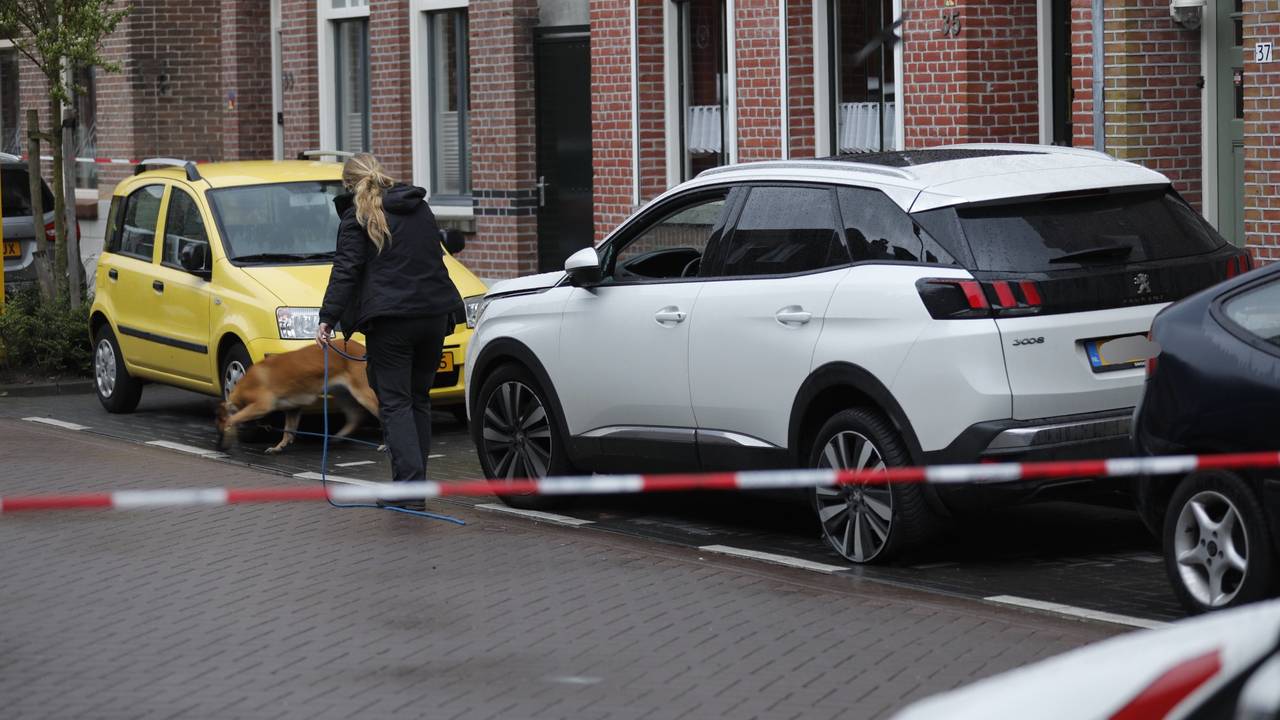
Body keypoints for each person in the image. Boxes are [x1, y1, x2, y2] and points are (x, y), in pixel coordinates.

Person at [316, 153, 462, 493]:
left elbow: (346, 271)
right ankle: (416, 485)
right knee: (419, 399)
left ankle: (409, 492)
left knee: (396, 403)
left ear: (348, 185)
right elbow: (435, 258)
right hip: (434, 316)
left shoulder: (358, 217)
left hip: (392, 322)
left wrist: (327, 318)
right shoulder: (419, 208)